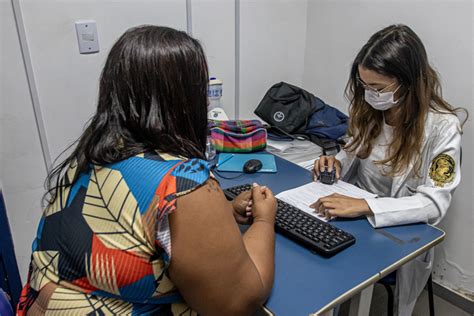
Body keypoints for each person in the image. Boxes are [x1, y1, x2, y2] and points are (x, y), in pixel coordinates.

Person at [17, 25, 277, 315]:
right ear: (182, 100)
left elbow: (132, 230)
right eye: (200, 89)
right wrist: (264, 221)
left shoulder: (89, 156)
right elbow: (237, 303)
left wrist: (223, 211)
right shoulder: (183, 183)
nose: (205, 101)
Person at [311, 24, 466, 315]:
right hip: (352, 214)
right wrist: (336, 163)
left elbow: (434, 203)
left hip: (396, 230)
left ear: (409, 82)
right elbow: (354, 151)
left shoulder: (443, 128)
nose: (369, 95)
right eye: (364, 86)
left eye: (378, 89)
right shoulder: (370, 111)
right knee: (317, 261)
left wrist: (365, 206)